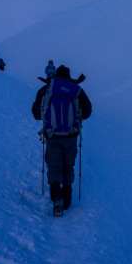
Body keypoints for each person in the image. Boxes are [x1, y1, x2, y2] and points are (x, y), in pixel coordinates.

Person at [32, 65, 92, 214]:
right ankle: (67, 200)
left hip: (52, 136)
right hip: (71, 135)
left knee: (54, 167)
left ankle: (57, 195)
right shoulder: (76, 90)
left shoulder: (47, 89)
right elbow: (88, 110)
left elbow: (36, 114)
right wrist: (77, 120)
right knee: (68, 166)